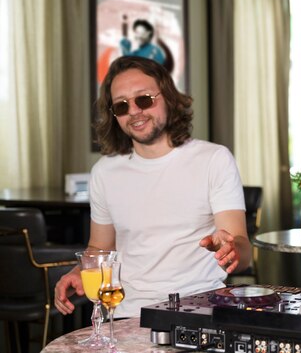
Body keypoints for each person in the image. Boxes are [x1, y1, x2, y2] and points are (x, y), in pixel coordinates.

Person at [54, 56, 251, 317]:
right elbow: (99, 248)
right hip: (125, 313)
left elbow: (242, 249)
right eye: (121, 106)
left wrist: (232, 250)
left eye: (144, 99)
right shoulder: (104, 171)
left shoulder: (213, 160)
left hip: (198, 310)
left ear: (168, 98)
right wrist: (79, 271)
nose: (134, 111)